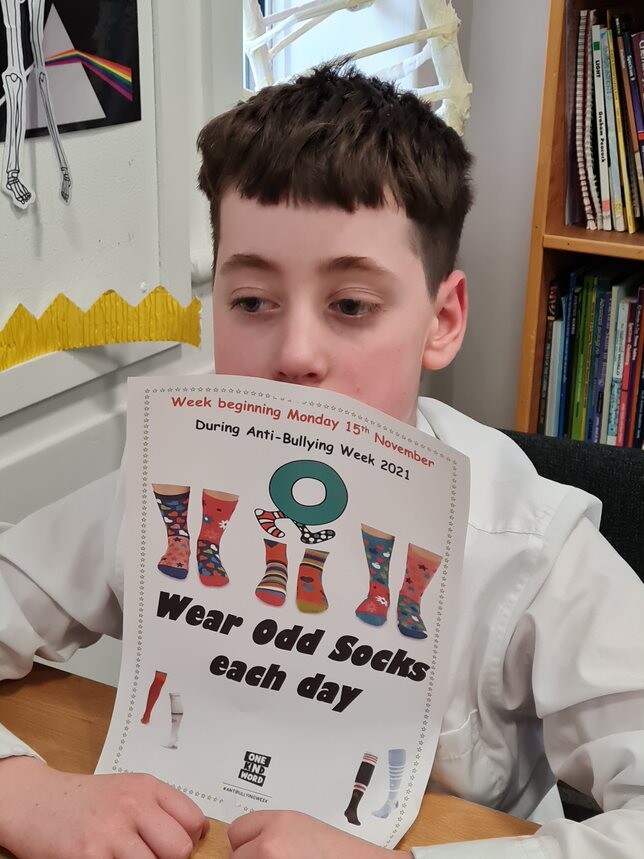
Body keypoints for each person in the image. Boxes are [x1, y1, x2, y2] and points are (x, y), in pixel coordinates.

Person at [0, 62, 643, 859]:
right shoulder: (166, 486)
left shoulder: (531, 549)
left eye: (350, 305)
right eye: (251, 302)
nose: (296, 354)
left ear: (442, 320)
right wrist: (20, 790)